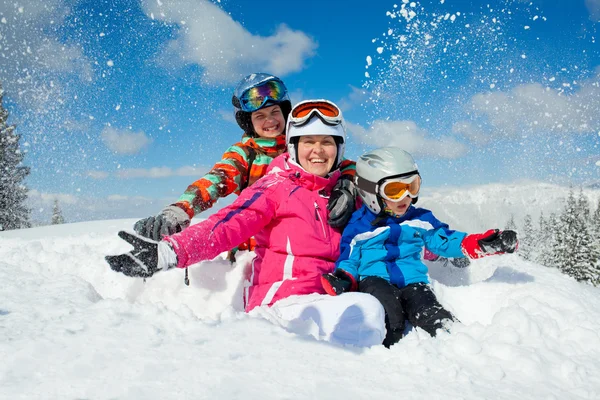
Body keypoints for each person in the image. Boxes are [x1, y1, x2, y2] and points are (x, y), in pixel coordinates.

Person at [106, 100, 386, 347]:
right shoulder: (273, 182)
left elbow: (385, 223)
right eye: (308, 141)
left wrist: (350, 183)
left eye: (327, 142)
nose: (318, 150)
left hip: (331, 293)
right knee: (366, 314)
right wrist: (170, 247)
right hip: (286, 300)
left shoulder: (344, 189)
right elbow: (228, 221)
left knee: (376, 311)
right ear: (293, 145)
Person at [321, 147, 518, 347]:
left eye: (412, 186)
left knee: (429, 310)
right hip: (375, 279)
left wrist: (481, 244)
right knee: (389, 315)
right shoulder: (359, 226)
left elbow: (444, 240)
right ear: (371, 192)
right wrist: (344, 279)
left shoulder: (419, 219)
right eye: (394, 190)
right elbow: (349, 256)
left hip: (413, 279)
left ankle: (456, 344)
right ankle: (388, 358)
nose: (406, 197)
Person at [133, 73, 356, 244]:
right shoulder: (245, 155)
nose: (270, 120)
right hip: (254, 251)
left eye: (275, 112)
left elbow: (347, 165)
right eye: (260, 116)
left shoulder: (302, 147)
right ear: (249, 122)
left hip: (308, 243)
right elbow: (215, 180)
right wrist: (180, 211)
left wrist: (347, 185)